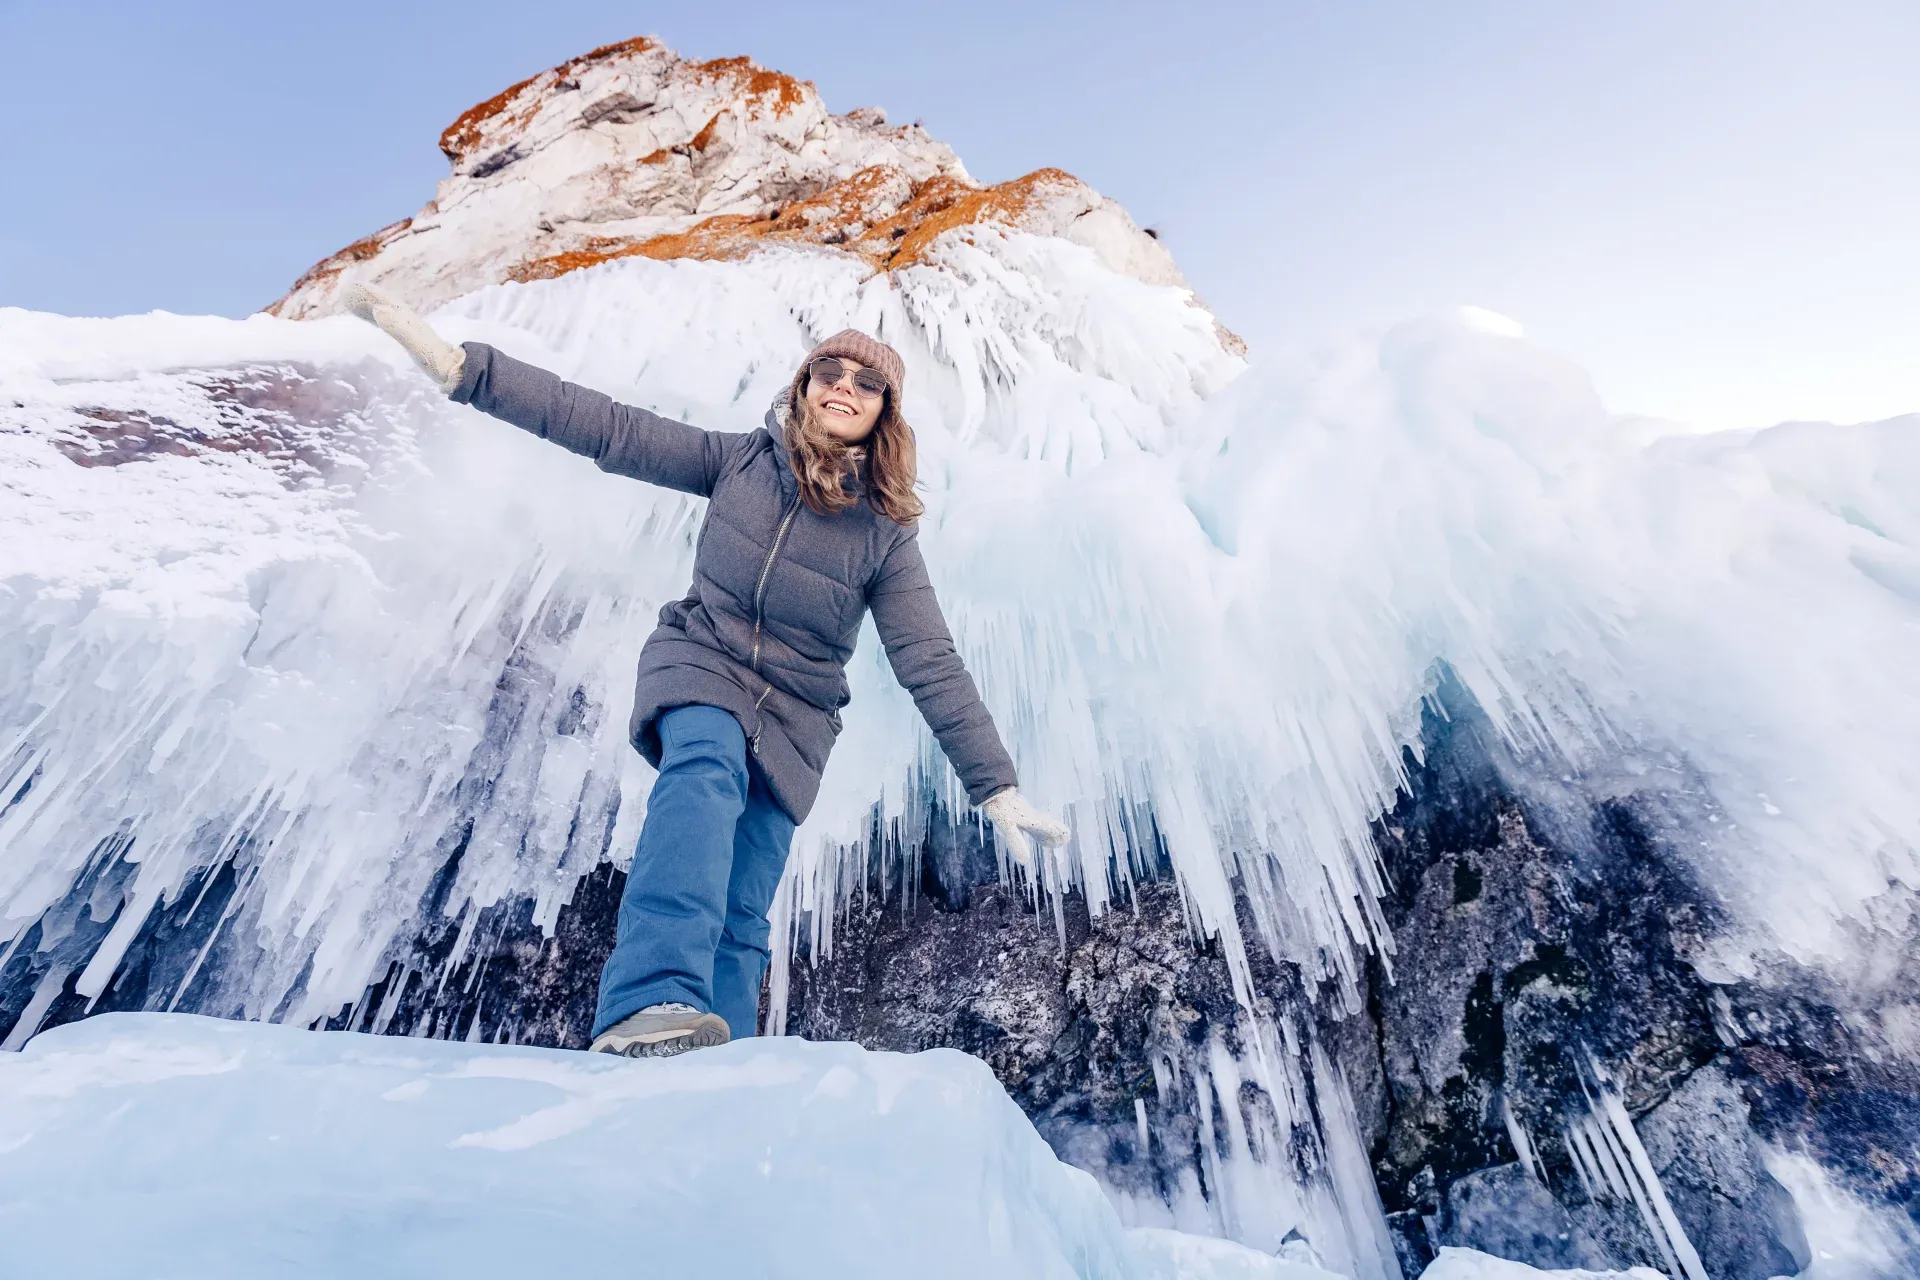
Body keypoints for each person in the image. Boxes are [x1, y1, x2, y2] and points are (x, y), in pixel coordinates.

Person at [340, 284, 1071, 1058]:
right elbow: (610, 428)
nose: (845, 389)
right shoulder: (738, 462)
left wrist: (994, 782)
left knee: (745, 901)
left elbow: (928, 657)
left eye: (867, 383)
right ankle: (652, 999)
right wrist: (468, 372)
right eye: (830, 372)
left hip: (798, 716)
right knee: (704, 767)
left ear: (886, 410)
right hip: (702, 660)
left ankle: (723, 1064)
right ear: (804, 385)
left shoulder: (884, 534)